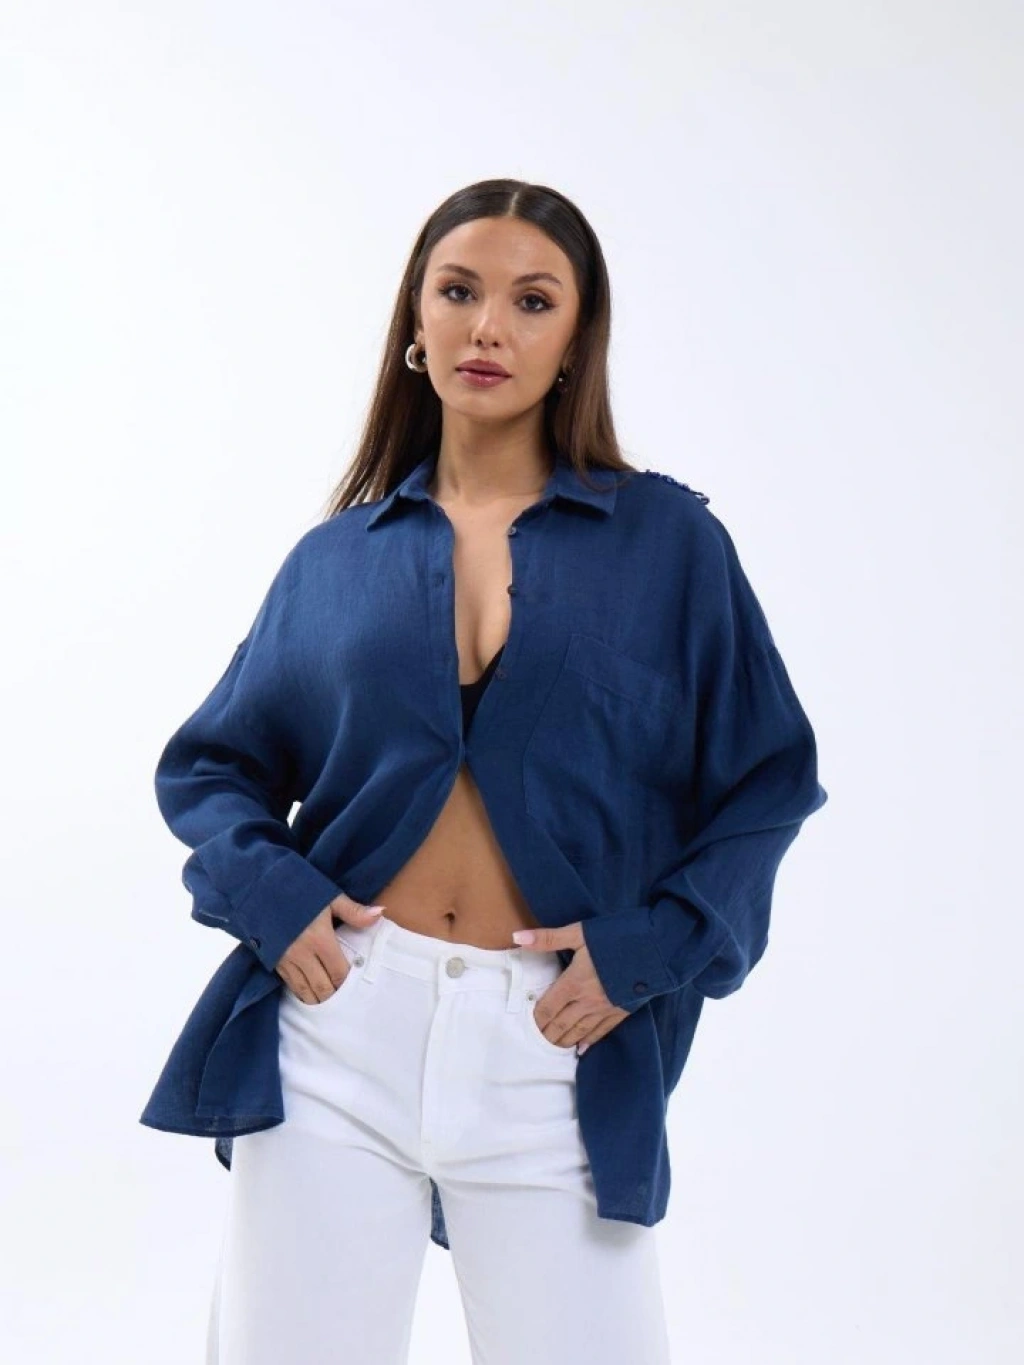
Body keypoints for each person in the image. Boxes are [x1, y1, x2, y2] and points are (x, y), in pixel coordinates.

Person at [140, 177, 828, 1365]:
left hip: (555, 1042)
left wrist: (653, 947)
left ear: (575, 342)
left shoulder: (669, 546)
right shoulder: (334, 559)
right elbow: (213, 766)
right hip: (336, 1029)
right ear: (415, 323)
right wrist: (273, 894)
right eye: (458, 292)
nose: (488, 327)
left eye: (532, 301)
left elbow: (766, 782)